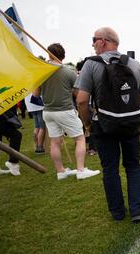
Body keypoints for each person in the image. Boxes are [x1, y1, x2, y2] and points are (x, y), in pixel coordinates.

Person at [76, 27, 140, 223]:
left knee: (110, 168)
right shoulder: (134, 64)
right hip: (130, 123)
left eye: (94, 39)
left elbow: (82, 100)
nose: (93, 44)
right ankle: (137, 209)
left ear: (103, 41)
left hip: (103, 123)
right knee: (133, 166)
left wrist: (88, 124)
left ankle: (118, 212)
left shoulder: (90, 65)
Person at [34, 43, 100, 181]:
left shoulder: (41, 72)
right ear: (63, 55)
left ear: (49, 54)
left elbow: (35, 94)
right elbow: (78, 92)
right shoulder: (68, 72)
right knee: (80, 138)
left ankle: (61, 171)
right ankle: (81, 170)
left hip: (48, 111)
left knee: (55, 142)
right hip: (64, 110)